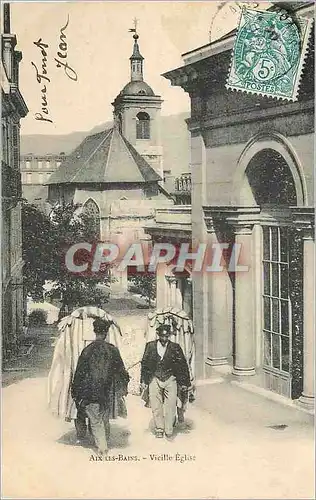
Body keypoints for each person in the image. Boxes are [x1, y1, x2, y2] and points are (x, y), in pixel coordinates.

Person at [71, 318, 129, 455]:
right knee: (104, 417)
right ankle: (104, 440)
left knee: (95, 419)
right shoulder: (112, 350)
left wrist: (75, 392)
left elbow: (79, 373)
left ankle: (102, 447)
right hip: (107, 391)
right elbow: (121, 371)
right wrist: (124, 383)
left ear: (94, 332)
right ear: (106, 333)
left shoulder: (87, 350)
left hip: (90, 391)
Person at [140, 323, 190, 440]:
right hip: (155, 377)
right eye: (162, 337)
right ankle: (159, 428)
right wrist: (143, 381)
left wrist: (184, 383)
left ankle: (168, 429)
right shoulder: (150, 346)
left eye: (166, 336)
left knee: (171, 404)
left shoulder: (175, 347)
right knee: (156, 405)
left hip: (170, 378)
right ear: (158, 335)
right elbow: (145, 364)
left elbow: (183, 365)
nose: (164, 339)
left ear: (169, 336)